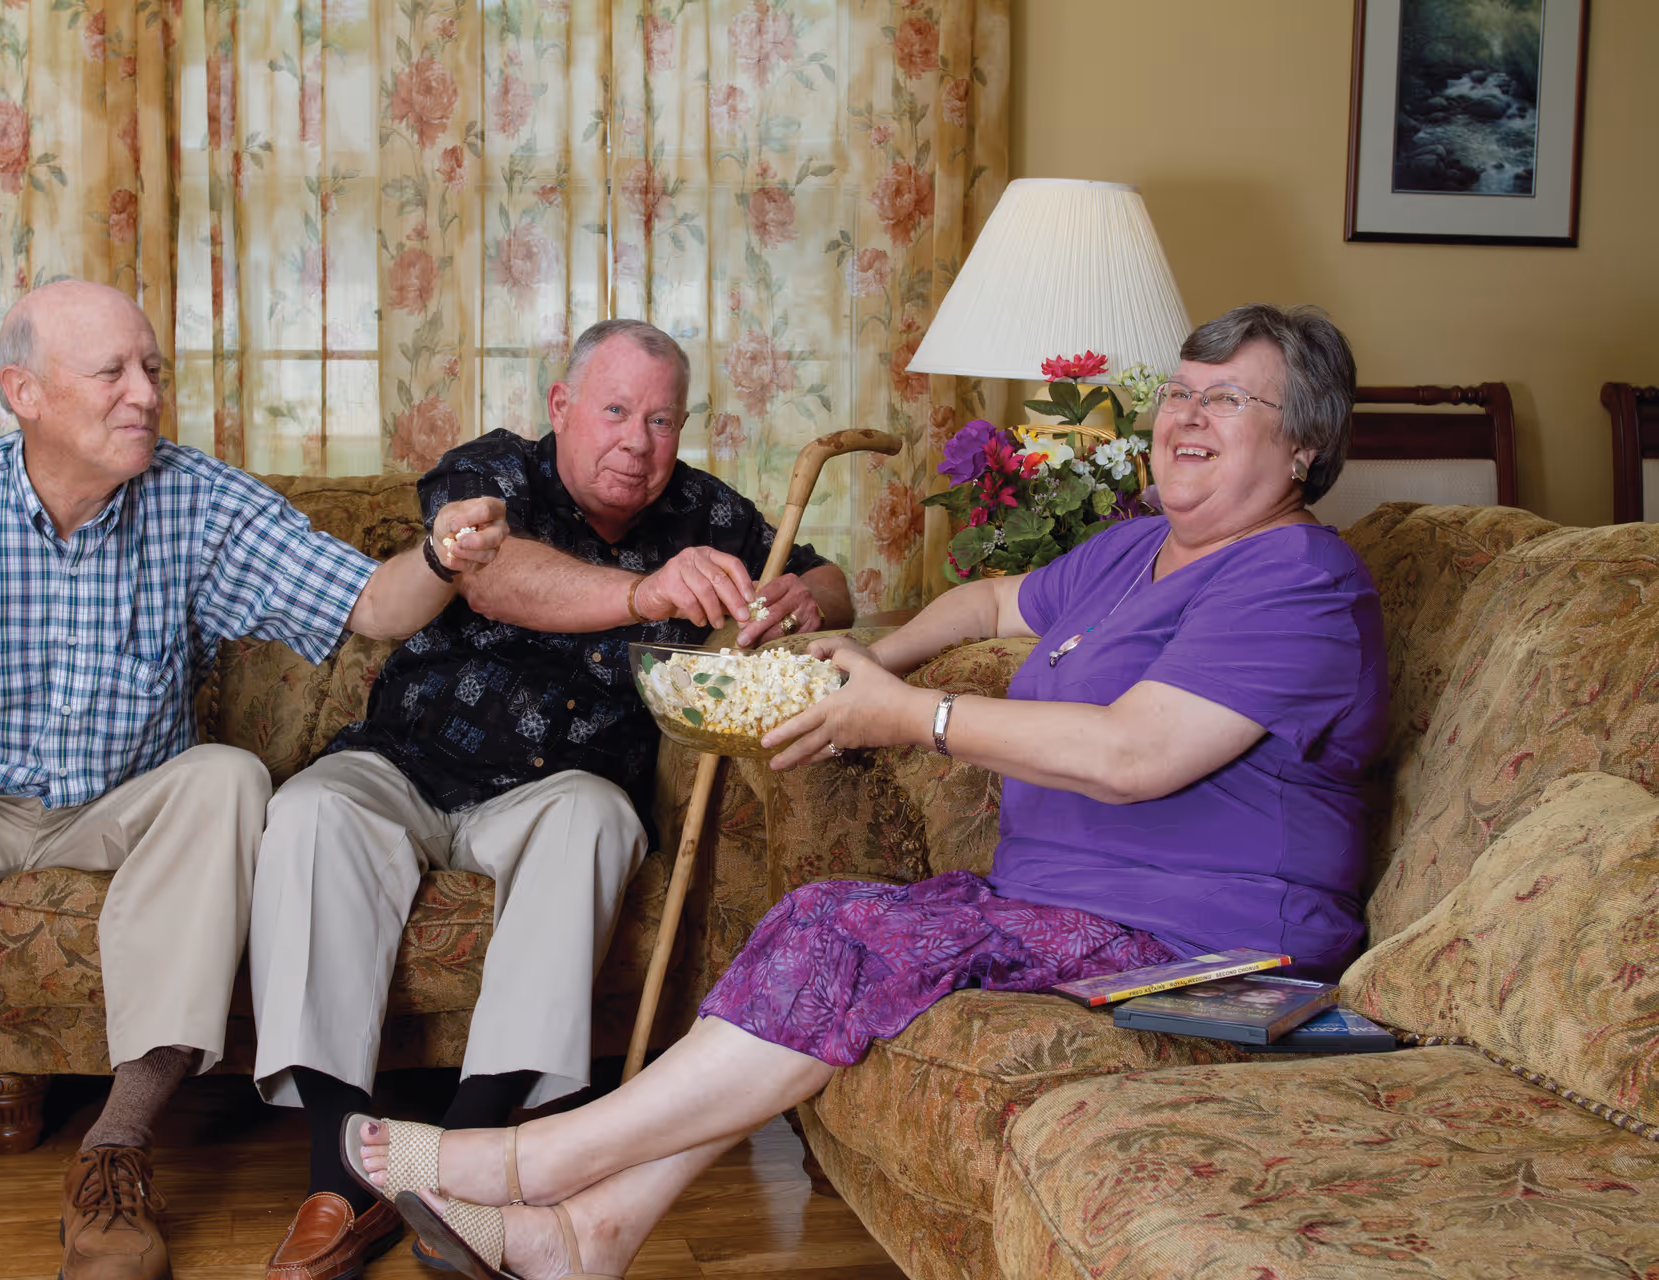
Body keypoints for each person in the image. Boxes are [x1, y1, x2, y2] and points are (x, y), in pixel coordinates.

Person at [338, 303, 1390, 1280]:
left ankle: (524, 1163)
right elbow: (986, 601)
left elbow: (1134, 754)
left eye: (1226, 399)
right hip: (1061, 909)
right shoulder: (1140, 550)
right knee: (818, 915)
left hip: (1194, 938)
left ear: (1304, 444)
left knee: (844, 935)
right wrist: (874, 650)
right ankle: (586, 1234)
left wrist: (909, 713)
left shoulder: (1295, 575)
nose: (1187, 417)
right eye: (1179, 392)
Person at [0, 280, 507, 1280]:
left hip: (118, 802)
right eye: (113, 372)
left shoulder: (194, 496)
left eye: (153, 369)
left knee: (229, 776)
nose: (145, 392)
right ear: (26, 391)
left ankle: (116, 1150)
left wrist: (441, 558)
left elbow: (370, 603)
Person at [251, 319, 853, 1278]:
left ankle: (465, 1160)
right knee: (310, 811)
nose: (636, 441)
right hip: (406, 761)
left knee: (598, 821)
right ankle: (339, 1175)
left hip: (556, 788)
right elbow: (493, 578)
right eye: (614, 410)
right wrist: (645, 590)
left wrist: (806, 599)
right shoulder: (492, 473)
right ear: (562, 408)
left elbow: (824, 568)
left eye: (662, 420)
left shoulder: (700, 508)